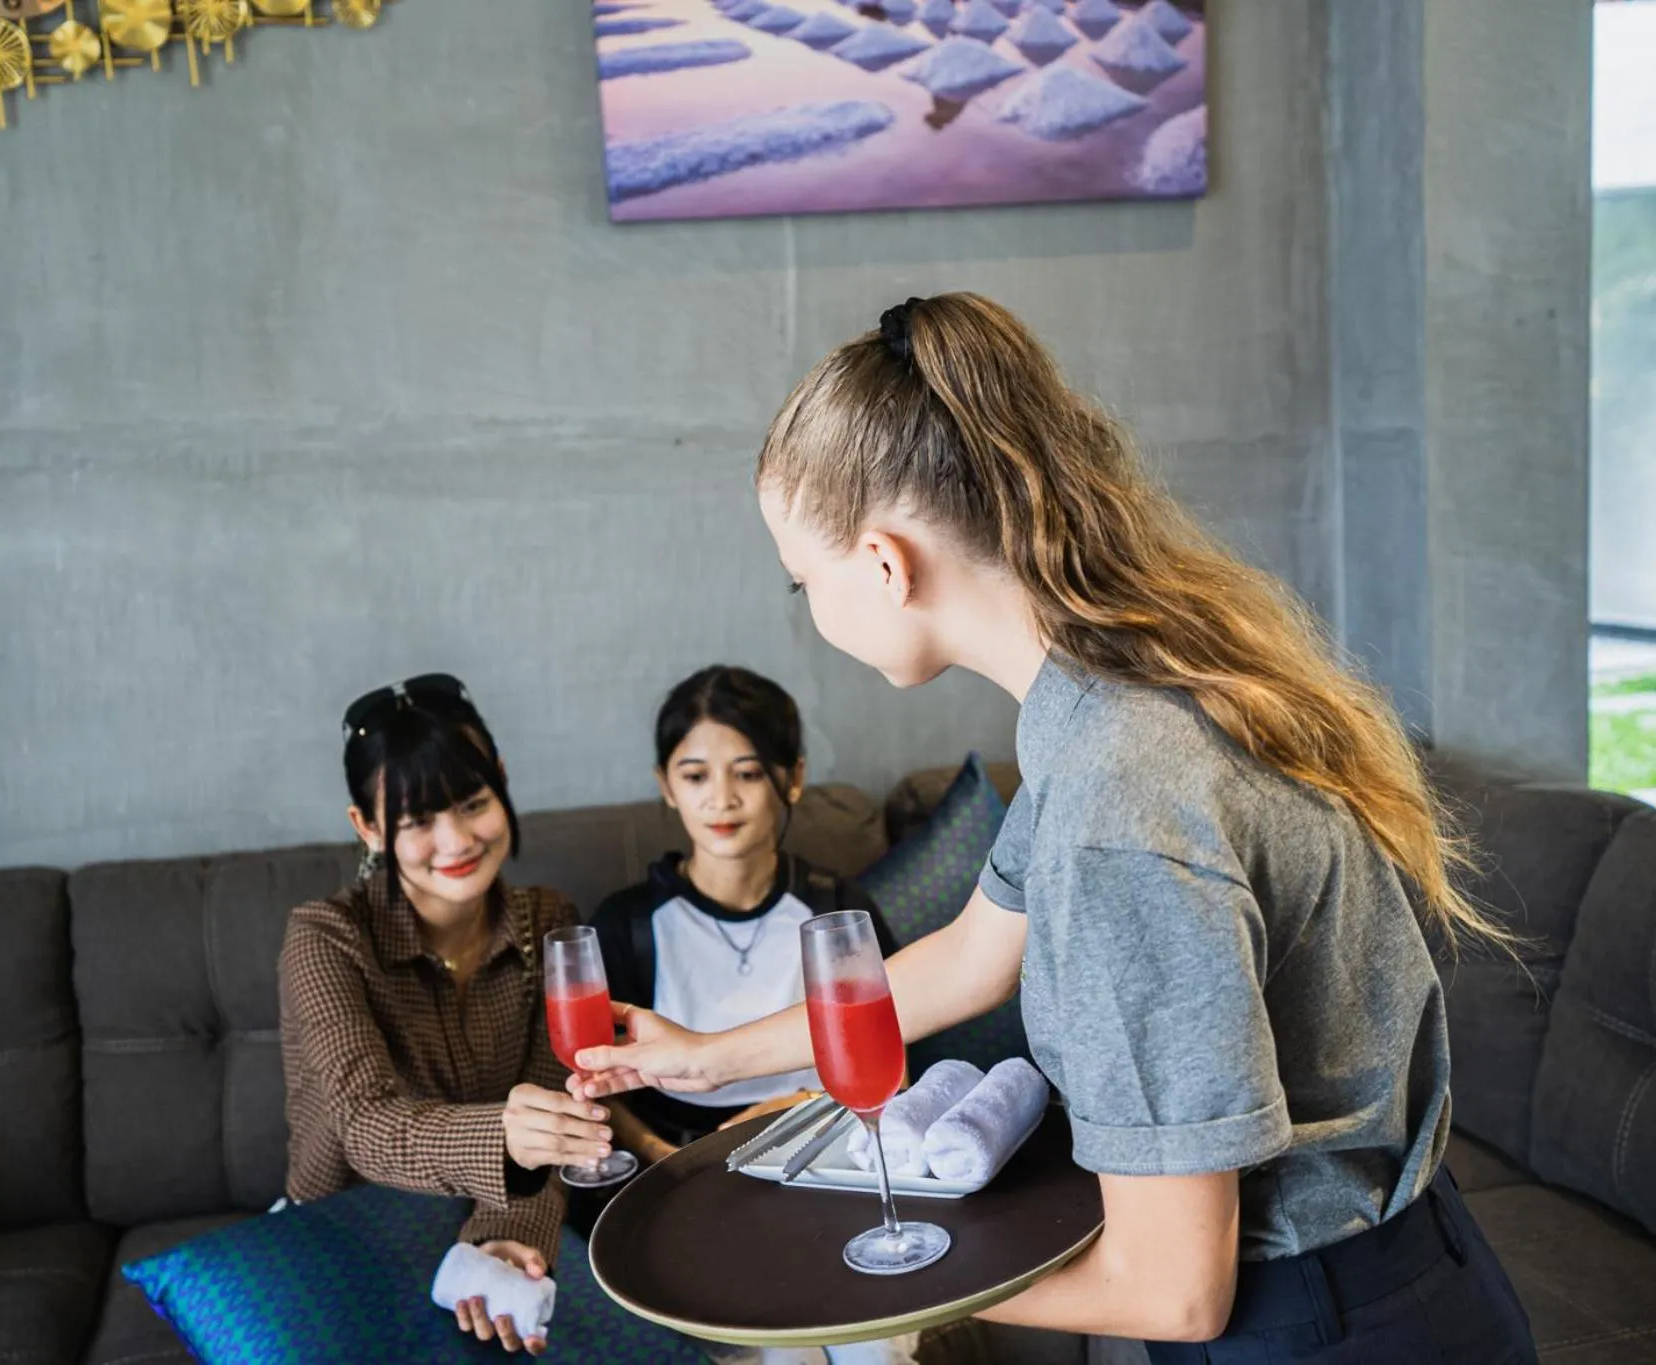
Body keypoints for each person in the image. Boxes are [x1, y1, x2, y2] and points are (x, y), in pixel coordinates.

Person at [570, 296, 1539, 1363]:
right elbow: (972, 958)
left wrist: (837, 1271)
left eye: (803, 582)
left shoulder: (1116, 798)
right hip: (1390, 1289)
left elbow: (1172, 1292)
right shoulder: (1110, 706)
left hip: (1318, 1332)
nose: (807, 607)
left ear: (885, 565)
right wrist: (707, 1059)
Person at [279, 673, 615, 1356]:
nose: (456, 839)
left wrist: (503, 1235)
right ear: (367, 826)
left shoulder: (549, 921)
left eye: (472, 801)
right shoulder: (325, 937)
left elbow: (557, 1108)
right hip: (350, 1228)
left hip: (507, 1207)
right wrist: (508, 1137)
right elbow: (367, 1125)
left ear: (502, 780)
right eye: (417, 820)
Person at [589, 665, 916, 1365]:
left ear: (792, 777)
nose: (723, 798)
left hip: (829, 1154)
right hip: (682, 1177)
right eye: (696, 774)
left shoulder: (834, 910)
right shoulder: (627, 924)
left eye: (747, 772)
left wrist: (799, 1103)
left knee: (874, 1347)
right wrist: (668, 1157)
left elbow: (895, 1062)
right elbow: (597, 1080)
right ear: (666, 784)